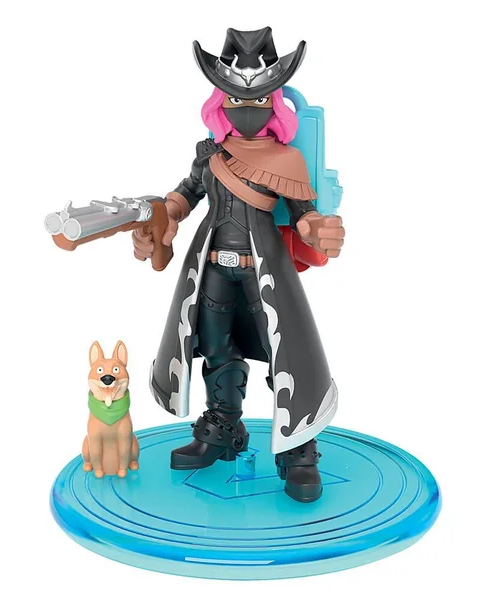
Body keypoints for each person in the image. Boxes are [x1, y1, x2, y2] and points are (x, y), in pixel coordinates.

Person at [134, 27, 345, 502]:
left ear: (275, 104)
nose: (247, 107)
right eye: (236, 98)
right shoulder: (210, 156)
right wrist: (158, 219)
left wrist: (318, 229)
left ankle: (298, 448)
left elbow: (305, 213)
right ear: (220, 102)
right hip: (211, 266)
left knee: (285, 352)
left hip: (263, 270)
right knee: (214, 345)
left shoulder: (287, 160)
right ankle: (223, 428)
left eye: (260, 99)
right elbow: (184, 196)